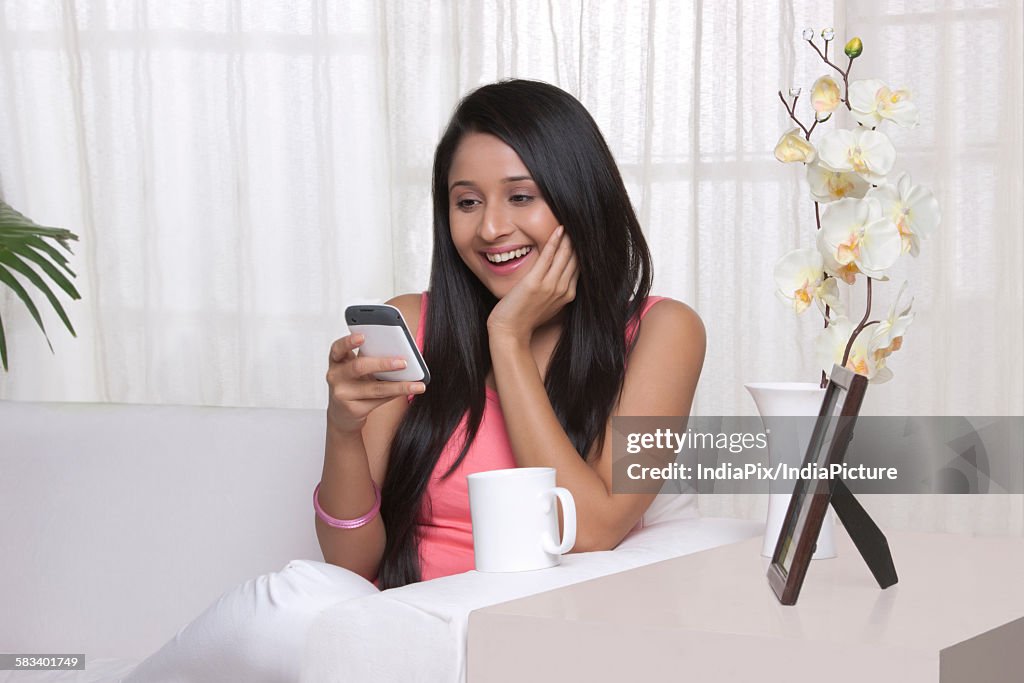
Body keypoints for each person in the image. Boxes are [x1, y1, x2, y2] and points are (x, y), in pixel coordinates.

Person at [124, 78, 705, 682]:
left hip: (526, 644)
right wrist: (343, 429)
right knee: (296, 596)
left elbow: (590, 533)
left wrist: (506, 340)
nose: (491, 229)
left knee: (286, 603)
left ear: (580, 197)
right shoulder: (415, 322)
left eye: (521, 196)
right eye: (467, 202)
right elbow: (350, 564)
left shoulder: (663, 332)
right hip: (389, 631)